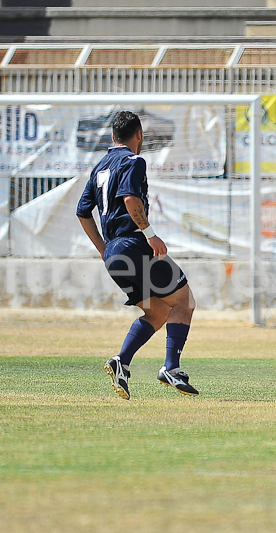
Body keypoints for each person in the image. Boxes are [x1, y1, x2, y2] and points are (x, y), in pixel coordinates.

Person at [77, 110, 198, 400]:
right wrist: (150, 233)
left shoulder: (99, 167)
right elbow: (131, 199)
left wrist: (104, 249)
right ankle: (171, 367)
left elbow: (82, 212)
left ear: (112, 137)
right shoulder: (134, 161)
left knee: (157, 311)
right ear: (139, 135)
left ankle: (121, 362)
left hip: (114, 256)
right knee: (184, 301)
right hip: (134, 246)